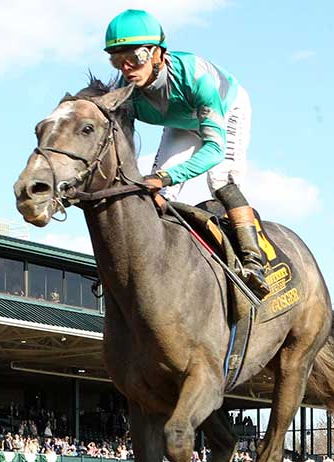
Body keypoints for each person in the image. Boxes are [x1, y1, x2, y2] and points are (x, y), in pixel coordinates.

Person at [103, 9, 269, 295]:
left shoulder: (196, 79)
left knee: (220, 180)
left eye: (136, 57)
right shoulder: (124, 91)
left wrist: (165, 176)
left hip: (226, 109)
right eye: (117, 60)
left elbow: (214, 150)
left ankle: (253, 261)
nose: (127, 68)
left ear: (158, 53)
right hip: (180, 121)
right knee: (161, 194)